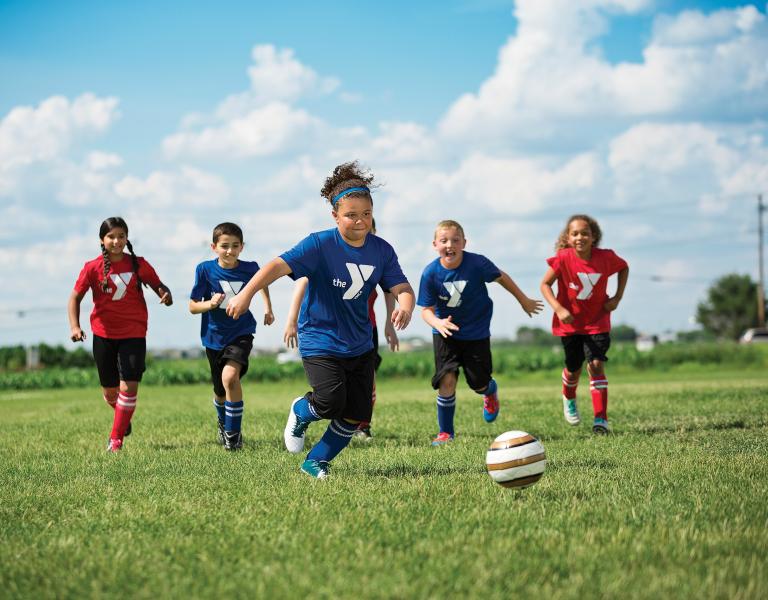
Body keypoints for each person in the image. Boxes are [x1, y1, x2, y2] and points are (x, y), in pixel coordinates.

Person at [226, 161, 415, 479]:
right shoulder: (319, 244)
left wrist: (406, 306)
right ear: (335, 216)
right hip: (320, 337)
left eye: (366, 214)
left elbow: (401, 287)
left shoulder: (382, 250)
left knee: (356, 412)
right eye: (351, 214)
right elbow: (277, 265)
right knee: (329, 401)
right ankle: (302, 410)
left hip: (360, 342)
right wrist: (246, 294)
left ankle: (316, 461)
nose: (360, 221)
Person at [418, 220, 544, 446]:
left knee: (478, 383)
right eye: (444, 240)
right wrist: (437, 323)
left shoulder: (477, 264)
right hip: (445, 332)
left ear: (464, 243)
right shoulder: (430, 273)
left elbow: (501, 277)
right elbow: (425, 311)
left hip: (476, 332)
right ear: (435, 244)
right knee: (446, 379)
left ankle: (489, 390)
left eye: (456, 240)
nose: (450, 245)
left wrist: (523, 300)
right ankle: (446, 433)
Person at [282, 219, 399, 442]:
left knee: (367, 381)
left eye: (369, 228)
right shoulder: (330, 254)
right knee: (333, 397)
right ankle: (306, 412)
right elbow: (303, 283)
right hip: (329, 332)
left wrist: (388, 324)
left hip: (365, 330)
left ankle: (362, 425)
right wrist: (291, 320)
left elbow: (390, 289)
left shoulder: (377, 255)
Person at [68, 217, 173, 452]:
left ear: (127, 238)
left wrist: (165, 295)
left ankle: (116, 439)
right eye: (111, 237)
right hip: (103, 334)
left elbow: (160, 287)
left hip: (134, 332)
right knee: (110, 392)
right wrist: (75, 327)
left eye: (121, 236)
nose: (117, 241)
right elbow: (75, 297)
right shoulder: (91, 267)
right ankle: (122, 418)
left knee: (129, 387)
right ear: (102, 240)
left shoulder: (139, 264)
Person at [540, 214, 629, 434]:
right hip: (570, 325)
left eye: (585, 233)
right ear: (568, 238)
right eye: (575, 233)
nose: (580, 237)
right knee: (573, 369)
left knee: (596, 365)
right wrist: (559, 309)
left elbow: (624, 267)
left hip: (598, 321)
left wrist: (617, 297)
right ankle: (569, 397)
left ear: (594, 236)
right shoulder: (563, 258)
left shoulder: (606, 257)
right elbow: (544, 284)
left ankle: (601, 420)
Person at [189, 222, 274, 450]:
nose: (230, 251)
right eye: (224, 246)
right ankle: (224, 422)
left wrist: (268, 307)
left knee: (230, 378)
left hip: (241, 332)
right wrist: (210, 303)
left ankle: (233, 436)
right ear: (214, 246)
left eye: (235, 246)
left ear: (242, 247)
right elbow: (192, 306)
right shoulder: (204, 269)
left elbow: (262, 282)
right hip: (213, 337)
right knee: (220, 392)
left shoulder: (250, 268)